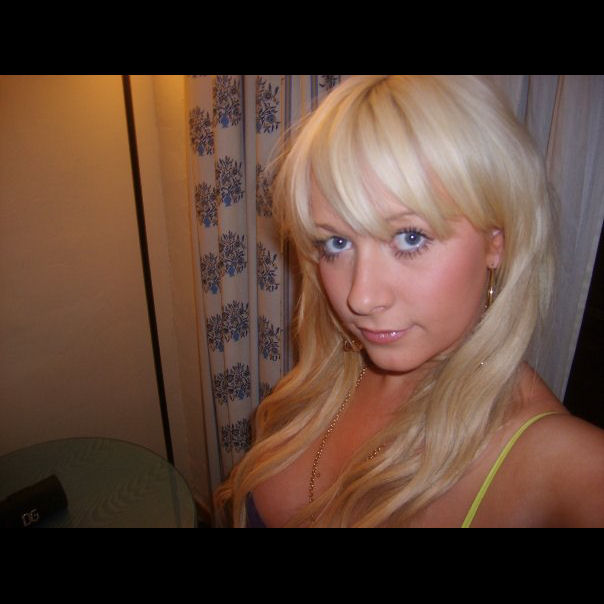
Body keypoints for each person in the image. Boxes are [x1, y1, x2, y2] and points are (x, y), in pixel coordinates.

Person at [214, 75, 604, 527]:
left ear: (496, 240)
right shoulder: (326, 375)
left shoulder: (562, 464)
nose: (361, 297)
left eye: (410, 237)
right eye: (337, 243)